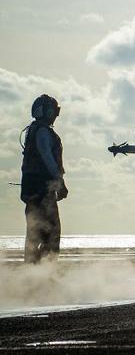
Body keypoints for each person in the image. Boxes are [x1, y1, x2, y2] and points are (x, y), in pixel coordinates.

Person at [20, 94, 67, 263]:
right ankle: (44, 272)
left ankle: (34, 273)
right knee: (51, 233)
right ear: (46, 112)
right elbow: (48, 159)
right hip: (42, 192)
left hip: (33, 191)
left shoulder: (34, 131)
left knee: (35, 234)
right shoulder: (43, 132)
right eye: (54, 111)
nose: (56, 115)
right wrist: (60, 182)